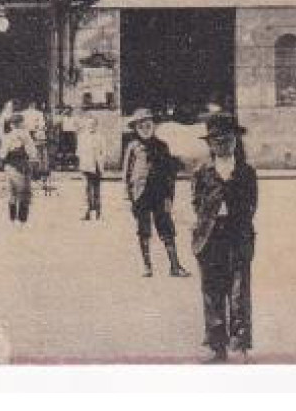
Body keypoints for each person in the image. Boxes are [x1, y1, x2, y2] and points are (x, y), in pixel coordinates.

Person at [190, 111, 258, 362]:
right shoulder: (202, 171)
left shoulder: (246, 172)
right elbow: (196, 202)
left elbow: (251, 204)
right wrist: (209, 217)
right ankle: (215, 345)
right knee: (212, 291)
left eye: (228, 139)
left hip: (237, 235)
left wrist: (235, 215)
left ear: (236, 141)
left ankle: (239, 344)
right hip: (209, 237)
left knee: (239, 291)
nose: (223, 144)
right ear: (209, 144)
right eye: (217, 140)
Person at [122, 108, 190, 278]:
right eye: (141, 126)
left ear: (154, 126)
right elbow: (126, 173)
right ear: (136, 128)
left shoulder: (162, 146)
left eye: (148, 124)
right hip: (140, 194)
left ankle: (175, 266)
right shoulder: (133, 147)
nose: (145, 128)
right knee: (143, 229)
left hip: (159, 193)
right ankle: (147, 266)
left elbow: (169, 175)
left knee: (166, 228)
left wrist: (169, 197)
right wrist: (127, 196)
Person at [0, 112, 39, 225]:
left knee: (12, 192)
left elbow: (2, 154)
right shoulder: (26, 135)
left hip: (10, 166)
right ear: (21, 123)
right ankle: (22, 219)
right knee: (24, 193)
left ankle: (12, 219)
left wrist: (3, 160)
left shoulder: (8, 136)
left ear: (11, 124)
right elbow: (32, 152)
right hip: (23, 165)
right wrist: (34, 161)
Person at [75, 116, 107, 220]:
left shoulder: (100, 137)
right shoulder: (82, 137)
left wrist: (100, 162)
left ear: (96, 125)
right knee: (86, 190)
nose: (91, 126)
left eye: (93, 124)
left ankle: (98, 212)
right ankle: (87, 212)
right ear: (86, 125)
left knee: (97, 189)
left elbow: (104, 152)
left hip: (97, 166)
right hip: (86, 165)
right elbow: (79, 152)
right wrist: (83, 163)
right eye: (89, 124)